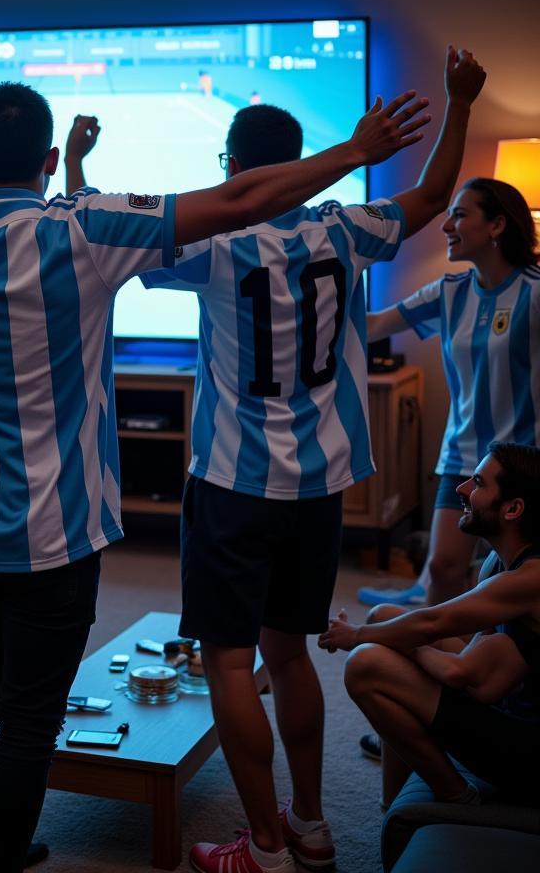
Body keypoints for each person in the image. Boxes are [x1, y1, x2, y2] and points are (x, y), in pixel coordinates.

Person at [0, 77, 428, 873]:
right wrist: (356, 155)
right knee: (30, 716)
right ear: (52, 160)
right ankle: (5, 859)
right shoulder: (89, 225)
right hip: (65, 531)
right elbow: (238, 204)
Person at [140, 47, 486, 873]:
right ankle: (312, 825)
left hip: (233, 481)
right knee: (289, 650)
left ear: (232, 169)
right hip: (319, 484)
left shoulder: (211, 240)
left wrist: (79, 165)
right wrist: (460, 102)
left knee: (230, 660)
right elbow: (436, 195)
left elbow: (125, 239)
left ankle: (262, 846)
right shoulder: (349, 226)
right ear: (298, 162)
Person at [319, 443, 540, 806]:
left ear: (513, 508)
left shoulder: (530, 577)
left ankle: (456, 796)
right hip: (507, 707)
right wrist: (392, 636)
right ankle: (395, 808)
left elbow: (434, 624)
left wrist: (357, 635)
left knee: (366, 663)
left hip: (529, 754)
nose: (461, 489)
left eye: (478, 483)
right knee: (385, 616)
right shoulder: (497, 563)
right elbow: (474, 662)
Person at [358, 177, 540, 611]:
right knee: (443, 567)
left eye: (460, 214)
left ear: (496, 225)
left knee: (513, 575)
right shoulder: (449, 291)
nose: (446, 226)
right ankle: (445, 664)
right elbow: (375, 326)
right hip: (462, 454)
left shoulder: (535, 290)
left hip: (526, 459)